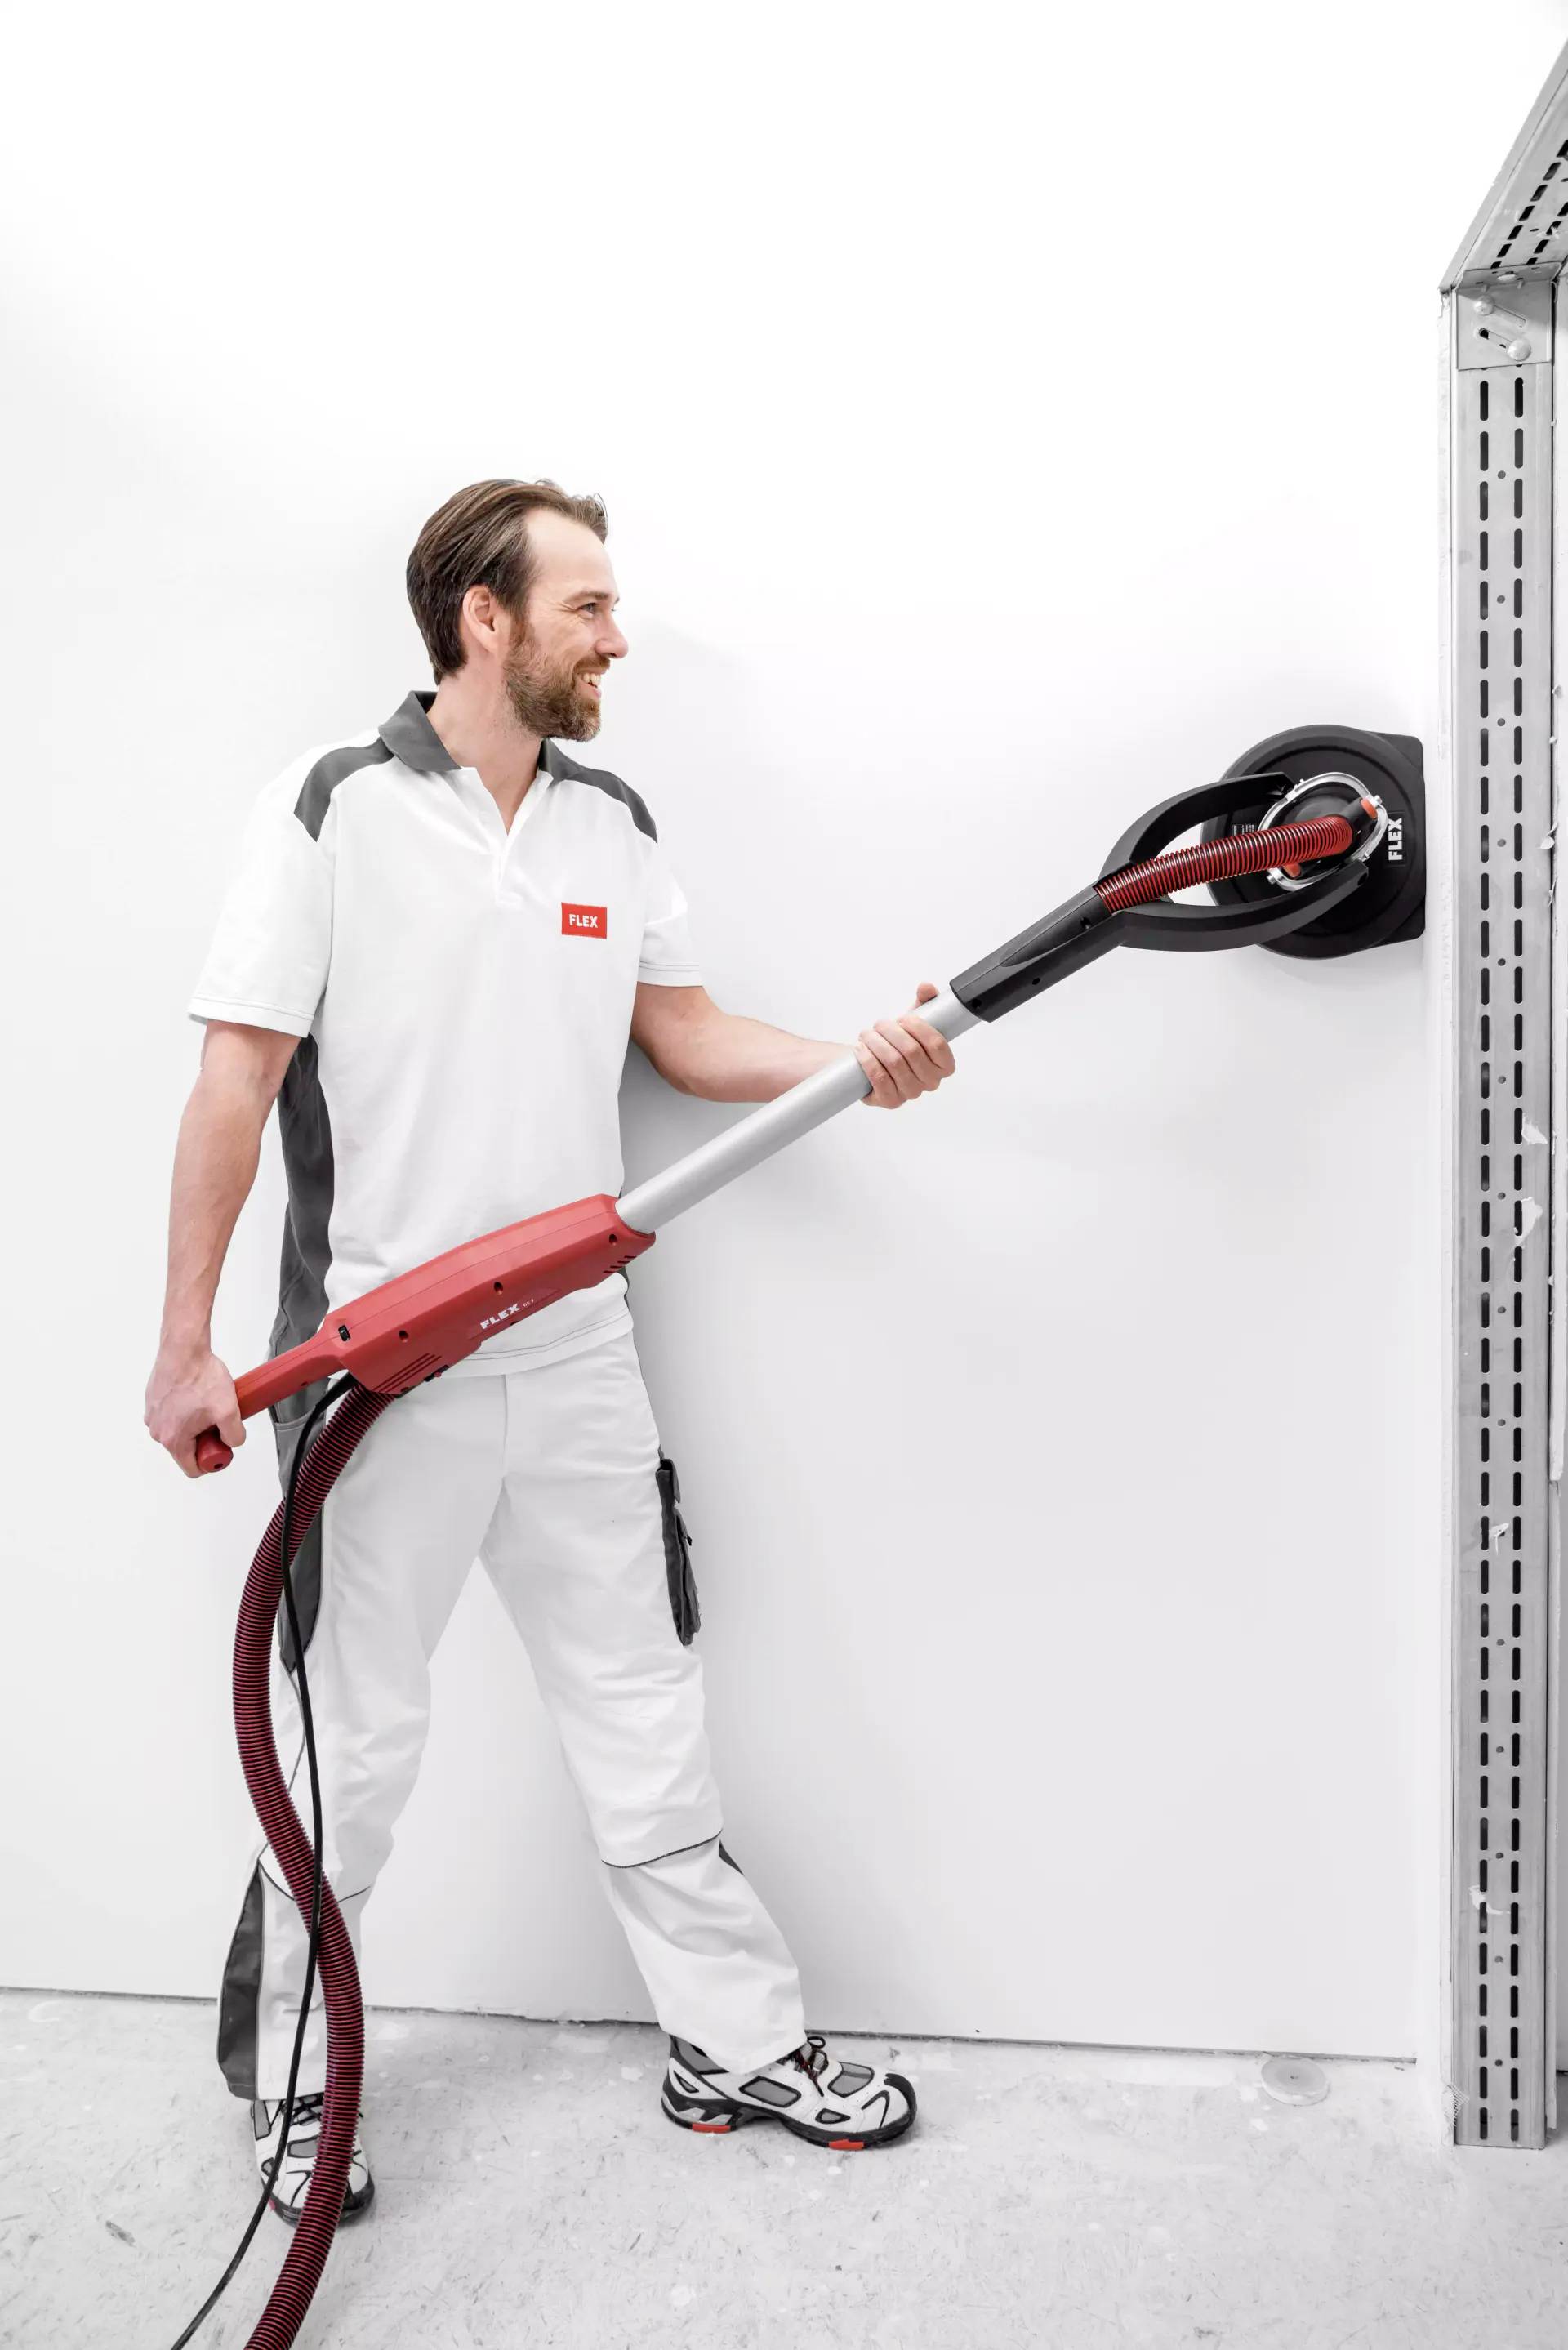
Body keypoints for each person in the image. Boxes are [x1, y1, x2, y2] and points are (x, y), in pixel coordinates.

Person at [144, 478, 956, 2220]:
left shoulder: (607, 817)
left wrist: (853, 1057)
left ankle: (731, 2040)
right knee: (350, 1746)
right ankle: (294, 2081)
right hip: (382, 1367)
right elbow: (235, 1078)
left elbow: (685, 1032)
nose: (619, 635)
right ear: (483, 617)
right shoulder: (334, 807)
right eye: (585, 604)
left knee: (645, 1709)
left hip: (578, 1349)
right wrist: (183, 1345)